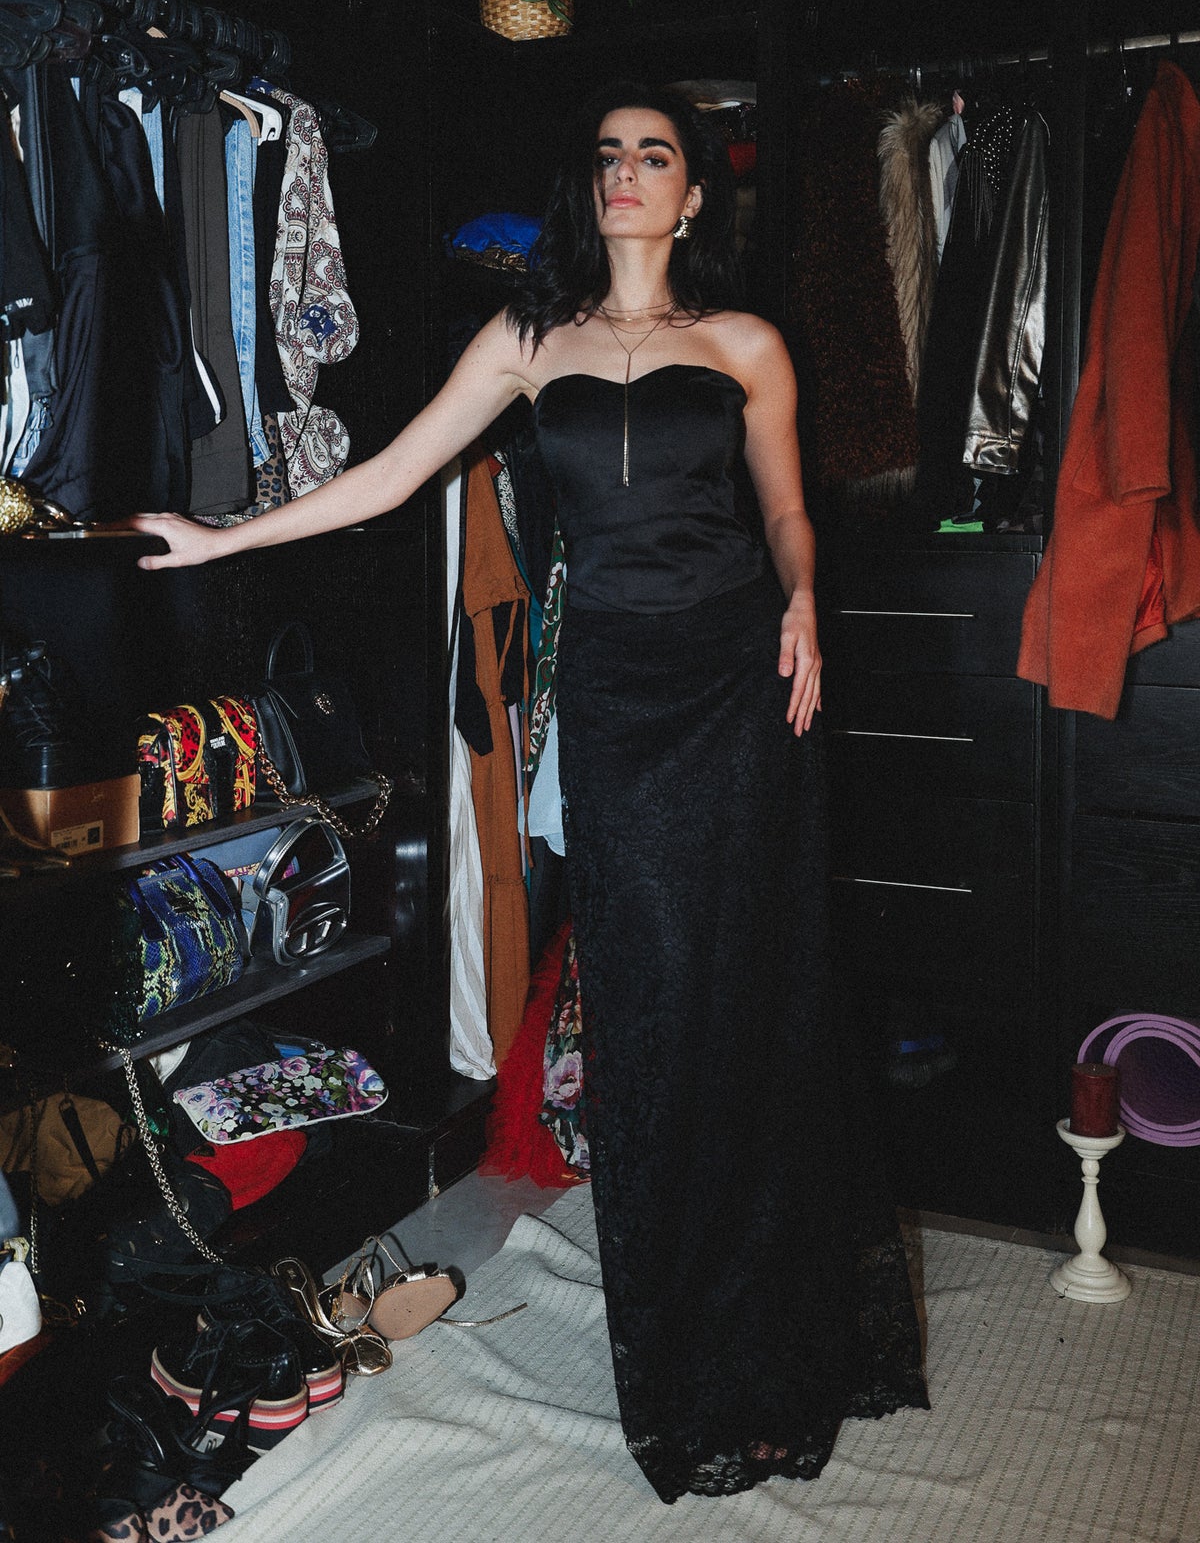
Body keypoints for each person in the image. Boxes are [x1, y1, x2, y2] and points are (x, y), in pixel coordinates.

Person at [131, 82, 929, 1503]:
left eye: (655, 155)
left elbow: (787, 508)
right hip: (619, 699)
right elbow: (389, 477)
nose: (627, 172)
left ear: (693, 195)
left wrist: (805, 598)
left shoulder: (745, 342)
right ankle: (684, 1346)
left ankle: (776, 1332)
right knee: (649, 1002)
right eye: (610, 152)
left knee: (753, 996)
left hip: (739, 691)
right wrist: (219, 538)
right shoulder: (525, 336)